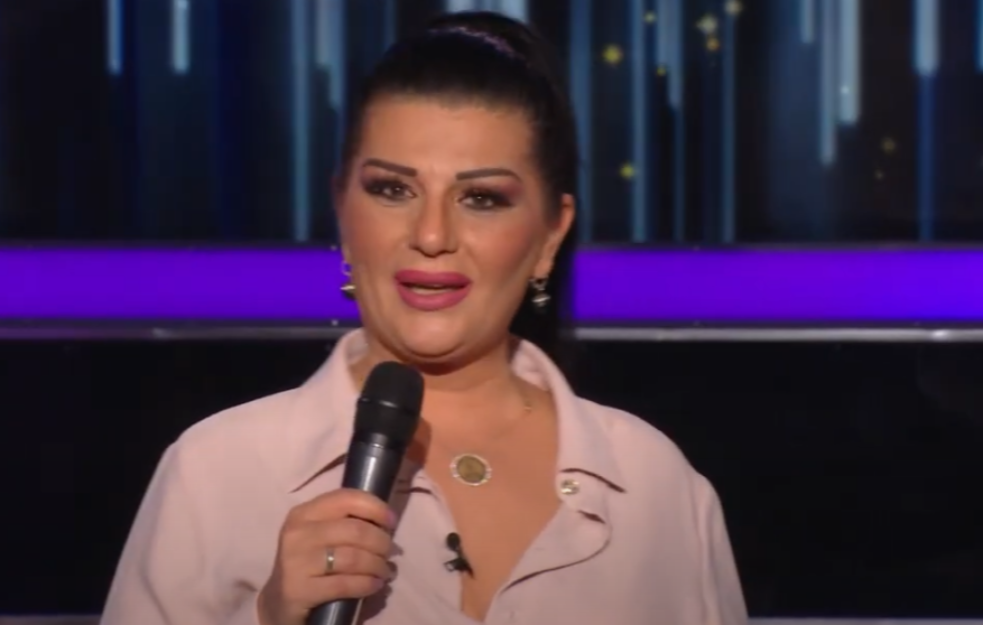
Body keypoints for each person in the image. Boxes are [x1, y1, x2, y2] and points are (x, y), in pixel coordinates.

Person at [100, 11, 747, 625]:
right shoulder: (216, 472)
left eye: (481, 198)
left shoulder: (653, 485)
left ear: (551, 234)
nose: (432, 234)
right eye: (392, 189)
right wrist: (269, 616)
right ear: (342, 210)